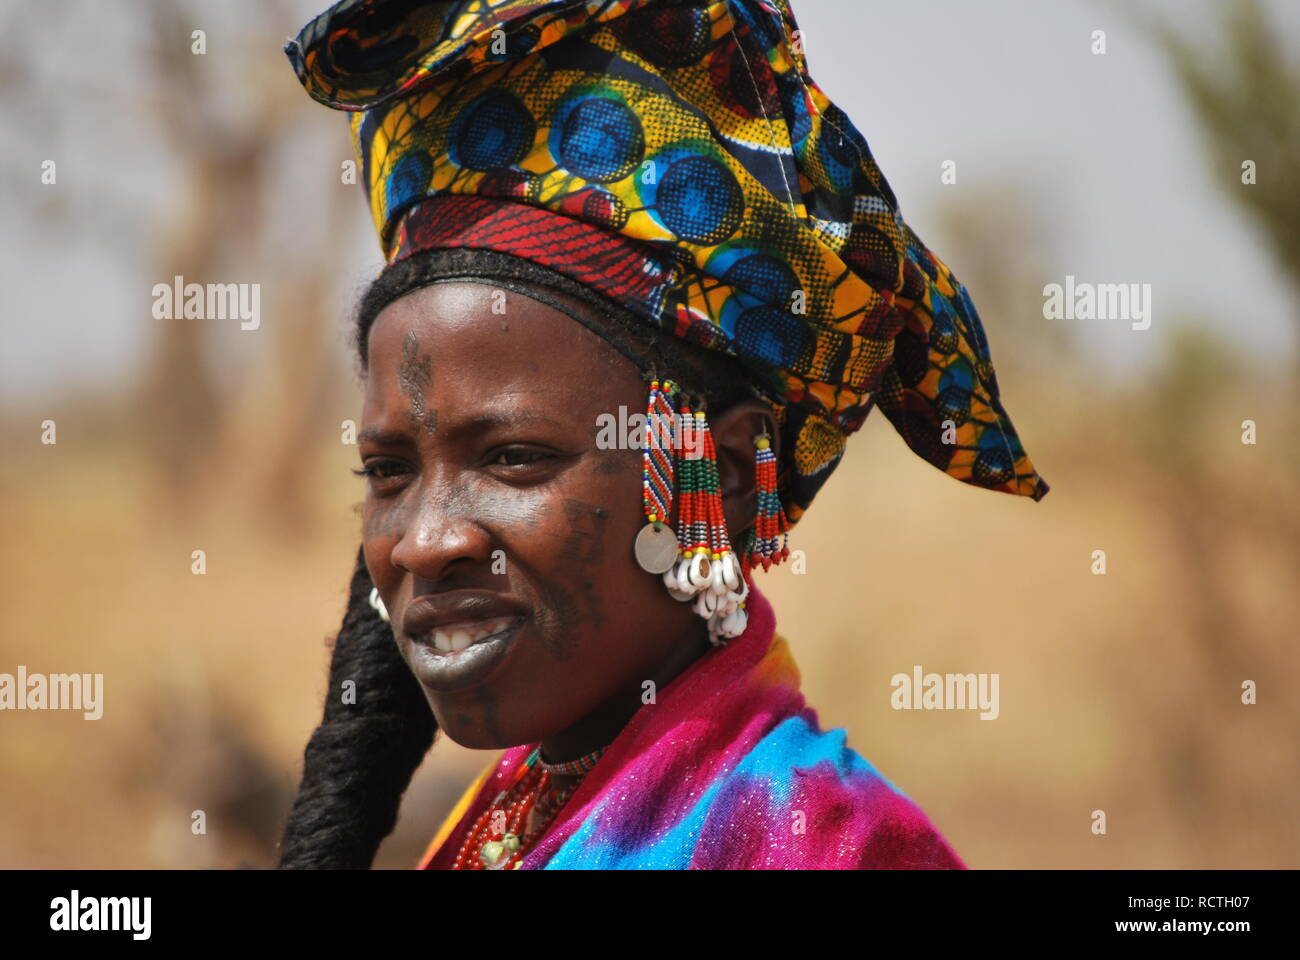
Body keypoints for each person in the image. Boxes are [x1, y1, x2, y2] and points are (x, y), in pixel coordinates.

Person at [277, 0, 1048, 870]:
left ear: (717, 475)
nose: (424, 541)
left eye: (514, 458)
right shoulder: (520, 808)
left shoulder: (823, 846)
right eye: (388, 471)